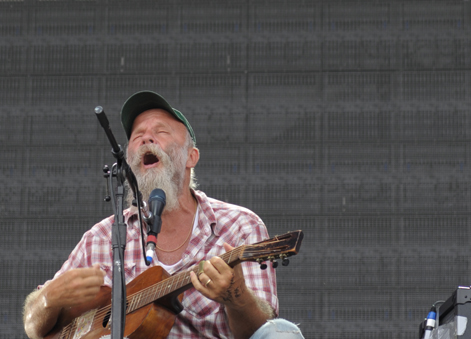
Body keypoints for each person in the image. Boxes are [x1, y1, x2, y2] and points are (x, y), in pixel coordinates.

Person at [22, 91, 304, 339]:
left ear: (191, 157)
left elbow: (260, 332)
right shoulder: (101, 237)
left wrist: (236, 296)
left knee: (282, 333)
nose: (146, 136)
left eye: (161, 131)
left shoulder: (240, 225)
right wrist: (49, 299)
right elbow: (34, 327)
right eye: (137, 135)